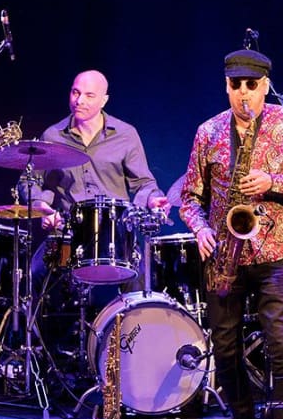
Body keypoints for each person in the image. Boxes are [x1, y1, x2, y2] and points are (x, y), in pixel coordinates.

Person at [179, 48, 283, 419]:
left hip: (276, 254)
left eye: (252, 85)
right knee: (225, 350)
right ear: (227, 86)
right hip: (225, 256)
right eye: (236, 85)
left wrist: (272, 182)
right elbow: (190, 197)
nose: (243, 94)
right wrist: (201, 228)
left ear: (265, 86)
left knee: (282, 349)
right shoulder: (209, 131)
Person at [17, 69, 171, 339]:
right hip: (68, 235)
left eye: (89, 95)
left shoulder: (126, 134)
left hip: (116, 235)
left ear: (104, 100)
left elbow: (144, 183)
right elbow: (29, 182)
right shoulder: (53, 136)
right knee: (34, 275)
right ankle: (40, 351)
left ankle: (134, 347)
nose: (79, 101)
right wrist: (41, 206)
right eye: (75, 92)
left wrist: (153, 197)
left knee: (139, 283)